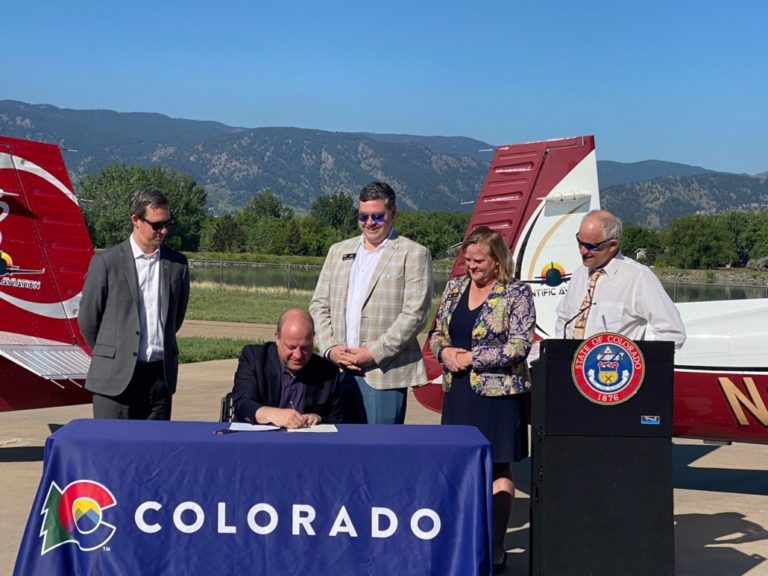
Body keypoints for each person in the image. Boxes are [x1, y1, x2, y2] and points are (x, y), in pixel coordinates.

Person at [429, 225, 536, 573]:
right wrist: (444, 352)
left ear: (497, 260)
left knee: (498, 468)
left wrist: (474, 358)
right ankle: (461, 539)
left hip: (500, 395)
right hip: (459, 391)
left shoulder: (516, 293)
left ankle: (496, 546)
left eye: (478, 261)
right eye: (468, 259)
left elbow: (521, 345)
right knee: (459, 468)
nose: (471, 266)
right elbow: (436, 332)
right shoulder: (456, 286)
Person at [309, 181, 433, 424]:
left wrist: (374, 353)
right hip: (339, 370)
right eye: (363, 216)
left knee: (381, 451)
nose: (369, 223)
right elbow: (319, 305)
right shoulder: (338, 251)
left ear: (393, 213)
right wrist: (330, 348)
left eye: (377, 217)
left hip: (384, 373)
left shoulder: (414, 253)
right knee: (341, 447)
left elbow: (415, 315)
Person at [78, 187, 190, 419]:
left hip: (159, 379)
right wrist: (112, 352)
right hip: (115, 380)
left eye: (168, 224)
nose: (164, 231)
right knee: (112, 451)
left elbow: (175, 319)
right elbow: (88, 320)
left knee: (153, 452)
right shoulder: (106, 263)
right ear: (135, 220)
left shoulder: (178, 265)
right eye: (157, 225)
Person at [555, 209, 686, 348]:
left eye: (590, 246)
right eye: (580, 242)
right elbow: (563, 318)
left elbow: (672, 332)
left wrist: (640, 364)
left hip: (614, 368)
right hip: (570, 366)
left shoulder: (638, 277)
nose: (582, 251)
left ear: (612, 245)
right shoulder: (578, 275)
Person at [231, 308, 343, 428]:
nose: (298, 355)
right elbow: (242, 404)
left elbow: (338, 420)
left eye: (305, 347)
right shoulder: (254, 358)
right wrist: (273, 414)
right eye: (291, 347)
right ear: (277, 339)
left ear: (313, 339)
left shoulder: (328, 372)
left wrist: (319, 419)